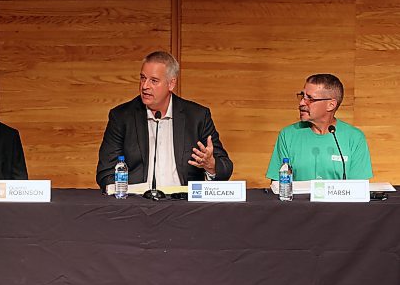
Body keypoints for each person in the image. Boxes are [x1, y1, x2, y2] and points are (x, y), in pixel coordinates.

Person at [96, 51, 233, 191]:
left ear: (171, 84)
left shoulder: (197, 116)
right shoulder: (121, 116)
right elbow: (105, 172)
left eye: (154, 81)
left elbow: (225, 168)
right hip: (137, 203)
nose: (145, 86)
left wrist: (211, 165)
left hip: (184, 204)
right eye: (143, 78)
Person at [266, 73, 373, 181]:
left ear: (331, 105)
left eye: (310, 98)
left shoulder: (354, 137)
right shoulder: (288, 134)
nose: (302, 102)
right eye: (302, 96)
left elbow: (359, 188)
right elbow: (278, 186)